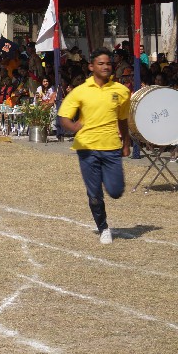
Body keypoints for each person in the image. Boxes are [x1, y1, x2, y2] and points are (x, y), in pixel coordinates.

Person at [57, 48, 131, 244]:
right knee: (95, 195)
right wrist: (73, 126)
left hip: (111, 147)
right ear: (91, 66)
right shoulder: (80, 91)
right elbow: (64, 116)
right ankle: (103, 227)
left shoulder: (121, 91)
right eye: (101, 63)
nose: (106, 66)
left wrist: (126, 143)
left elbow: (123, 119)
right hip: (86, 148)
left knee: (115, 191)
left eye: (108, 63)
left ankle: (109, 185)